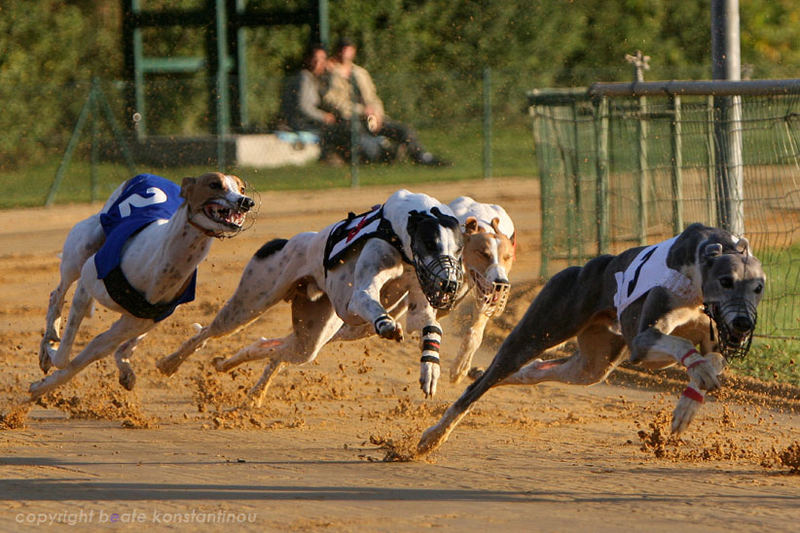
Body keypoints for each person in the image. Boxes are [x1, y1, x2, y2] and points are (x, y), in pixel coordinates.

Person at [324, 37, 450, 166]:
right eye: (343, 49)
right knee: (365, 142)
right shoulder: (332, 74)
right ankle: (389, 154)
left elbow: (372, 97)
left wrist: (376, 114)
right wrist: (361, 110)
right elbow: (334, 101)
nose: (345, 53)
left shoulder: (360, 73)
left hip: (371, 118)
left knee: (404, 130)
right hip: (351, 120)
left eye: (348, 49)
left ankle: (422, 156)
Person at [276, 43, 337, 152]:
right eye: (315, 59)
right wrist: (324, 117)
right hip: (299, 124)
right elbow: (303, 106)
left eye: (322, 59)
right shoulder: (304, 78)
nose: (319, 63)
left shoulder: (316, 79)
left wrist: (330, 74)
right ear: (308, 59)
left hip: (308, 123)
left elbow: (327, 95)